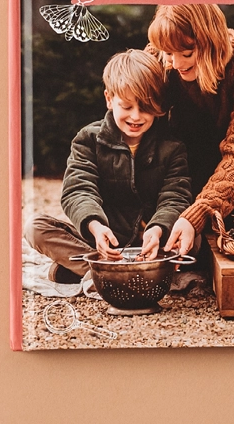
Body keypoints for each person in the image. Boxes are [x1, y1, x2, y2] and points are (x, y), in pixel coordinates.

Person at [24, 49, 191, 283]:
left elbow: (175, 198)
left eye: (146, 107)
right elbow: (78, 190)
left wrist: (158, 229)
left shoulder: (172, 147)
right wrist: (95, 226)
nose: (136, 116)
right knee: (35, 227)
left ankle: (96, 273)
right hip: (102, 240)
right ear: (109, 99)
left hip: (152, 243)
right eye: (127, 106)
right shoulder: (88, 139)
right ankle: (122, 274)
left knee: (194, 237)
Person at [147, 4, 234, 257]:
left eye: (187, 53)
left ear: (210, 42)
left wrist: (198, 215)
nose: (176, 63)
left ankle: (218, 227)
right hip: (182, 147)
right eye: (168, 53)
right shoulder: (159, 53)